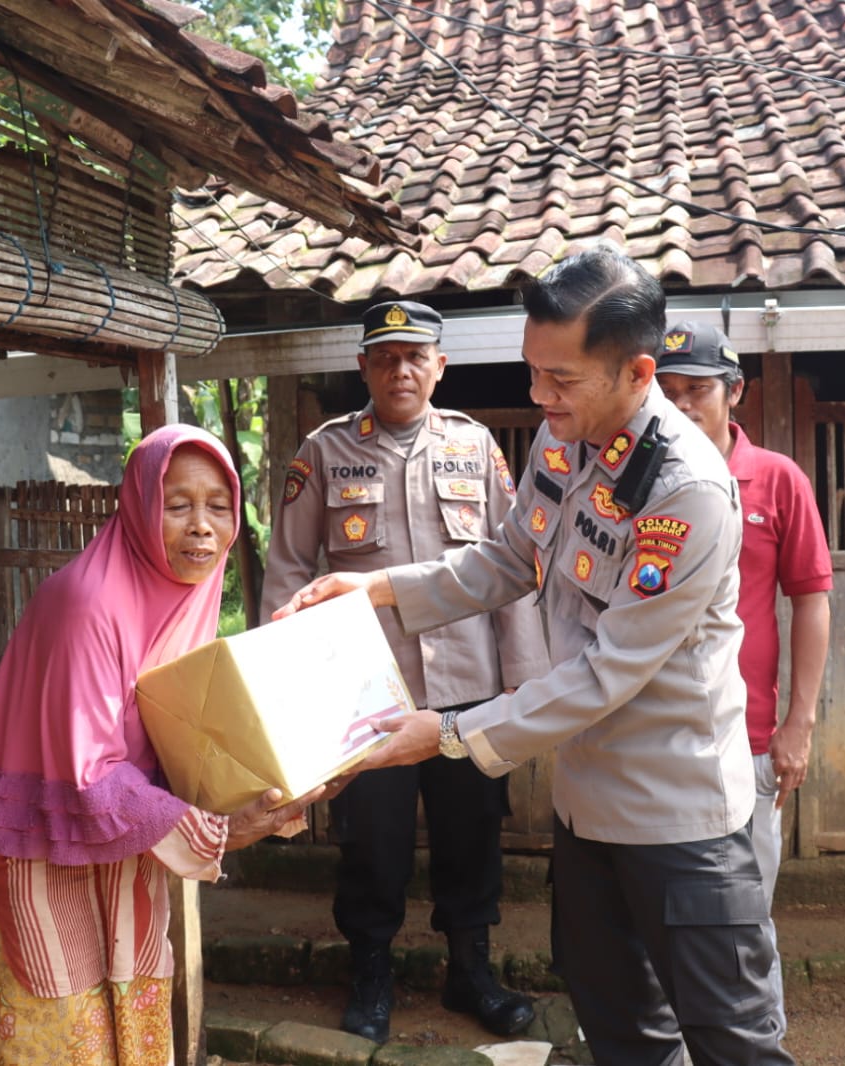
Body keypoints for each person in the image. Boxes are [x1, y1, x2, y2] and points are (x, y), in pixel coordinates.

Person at [276, 247, 795, 1066]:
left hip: (678, 818)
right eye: (532, 372)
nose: (538, 397)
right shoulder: (566, 445)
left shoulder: (684, 491)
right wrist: (373, 591)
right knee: (621, 1030)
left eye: (561, 380)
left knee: (732, 1044)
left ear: (635, 372)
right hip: (586, 809)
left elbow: (605, 676)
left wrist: (443, 733)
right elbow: (505, 560)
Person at [0, 424, 325, 1065]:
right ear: (140, 508)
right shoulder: (88, 604)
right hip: (44, 840)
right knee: (67, 1034)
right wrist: (221, 829)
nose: (202, 526)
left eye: (218, 506)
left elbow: (178, 728)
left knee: (136, 1018)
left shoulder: (192, 589)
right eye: (177, 506)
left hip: (127, 836)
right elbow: (88, 775)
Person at [261, 300, 549, 1043]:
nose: (401, 369)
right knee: (371, 839)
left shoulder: (474, 445)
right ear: (363, 367)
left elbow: (512, 569)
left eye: (415, 355)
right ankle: (371, 974)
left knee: (471, 830)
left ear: (439, 366)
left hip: (467, 687)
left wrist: (522, 677)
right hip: (366, 691)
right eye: (385, 357)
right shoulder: (324, 451)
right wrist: (284, 685)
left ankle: (471, 972)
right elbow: (289, 567)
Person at [655, 321, 832, 1027]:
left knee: (744, 905)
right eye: (666, 394)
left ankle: (754, 1036)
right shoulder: (640, 478)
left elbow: (810, 600)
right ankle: (666, 1036)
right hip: (656, 735)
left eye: (696, 390)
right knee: (657, 901)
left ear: (735, 393)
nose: (681, 406)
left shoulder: (777, 479)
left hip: (749, 737)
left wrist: (799, 721)